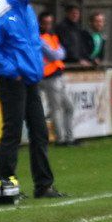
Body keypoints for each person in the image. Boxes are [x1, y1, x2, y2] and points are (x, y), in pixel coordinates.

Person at [0, 0, 65, 199]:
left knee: (40, 132)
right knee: (13, 132)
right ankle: (7, 184)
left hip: (31, 81)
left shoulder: (28, 10)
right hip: (12, 81)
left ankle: (44, 186)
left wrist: (35, 69)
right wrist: (13, 71)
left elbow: (33, 46)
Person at [38, 11, 78, 146]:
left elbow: (61, 52)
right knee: (57, 108)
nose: (48, 26)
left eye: (50, 23)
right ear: (40, 24)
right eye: (45, 23)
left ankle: (68, 137)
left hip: (57, 75)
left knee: (68, 107)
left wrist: (58, 53)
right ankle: (61, 139)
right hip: (49, 77)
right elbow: (55, 55)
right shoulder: (40, 38)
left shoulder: (52, 37)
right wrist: (58, 53)